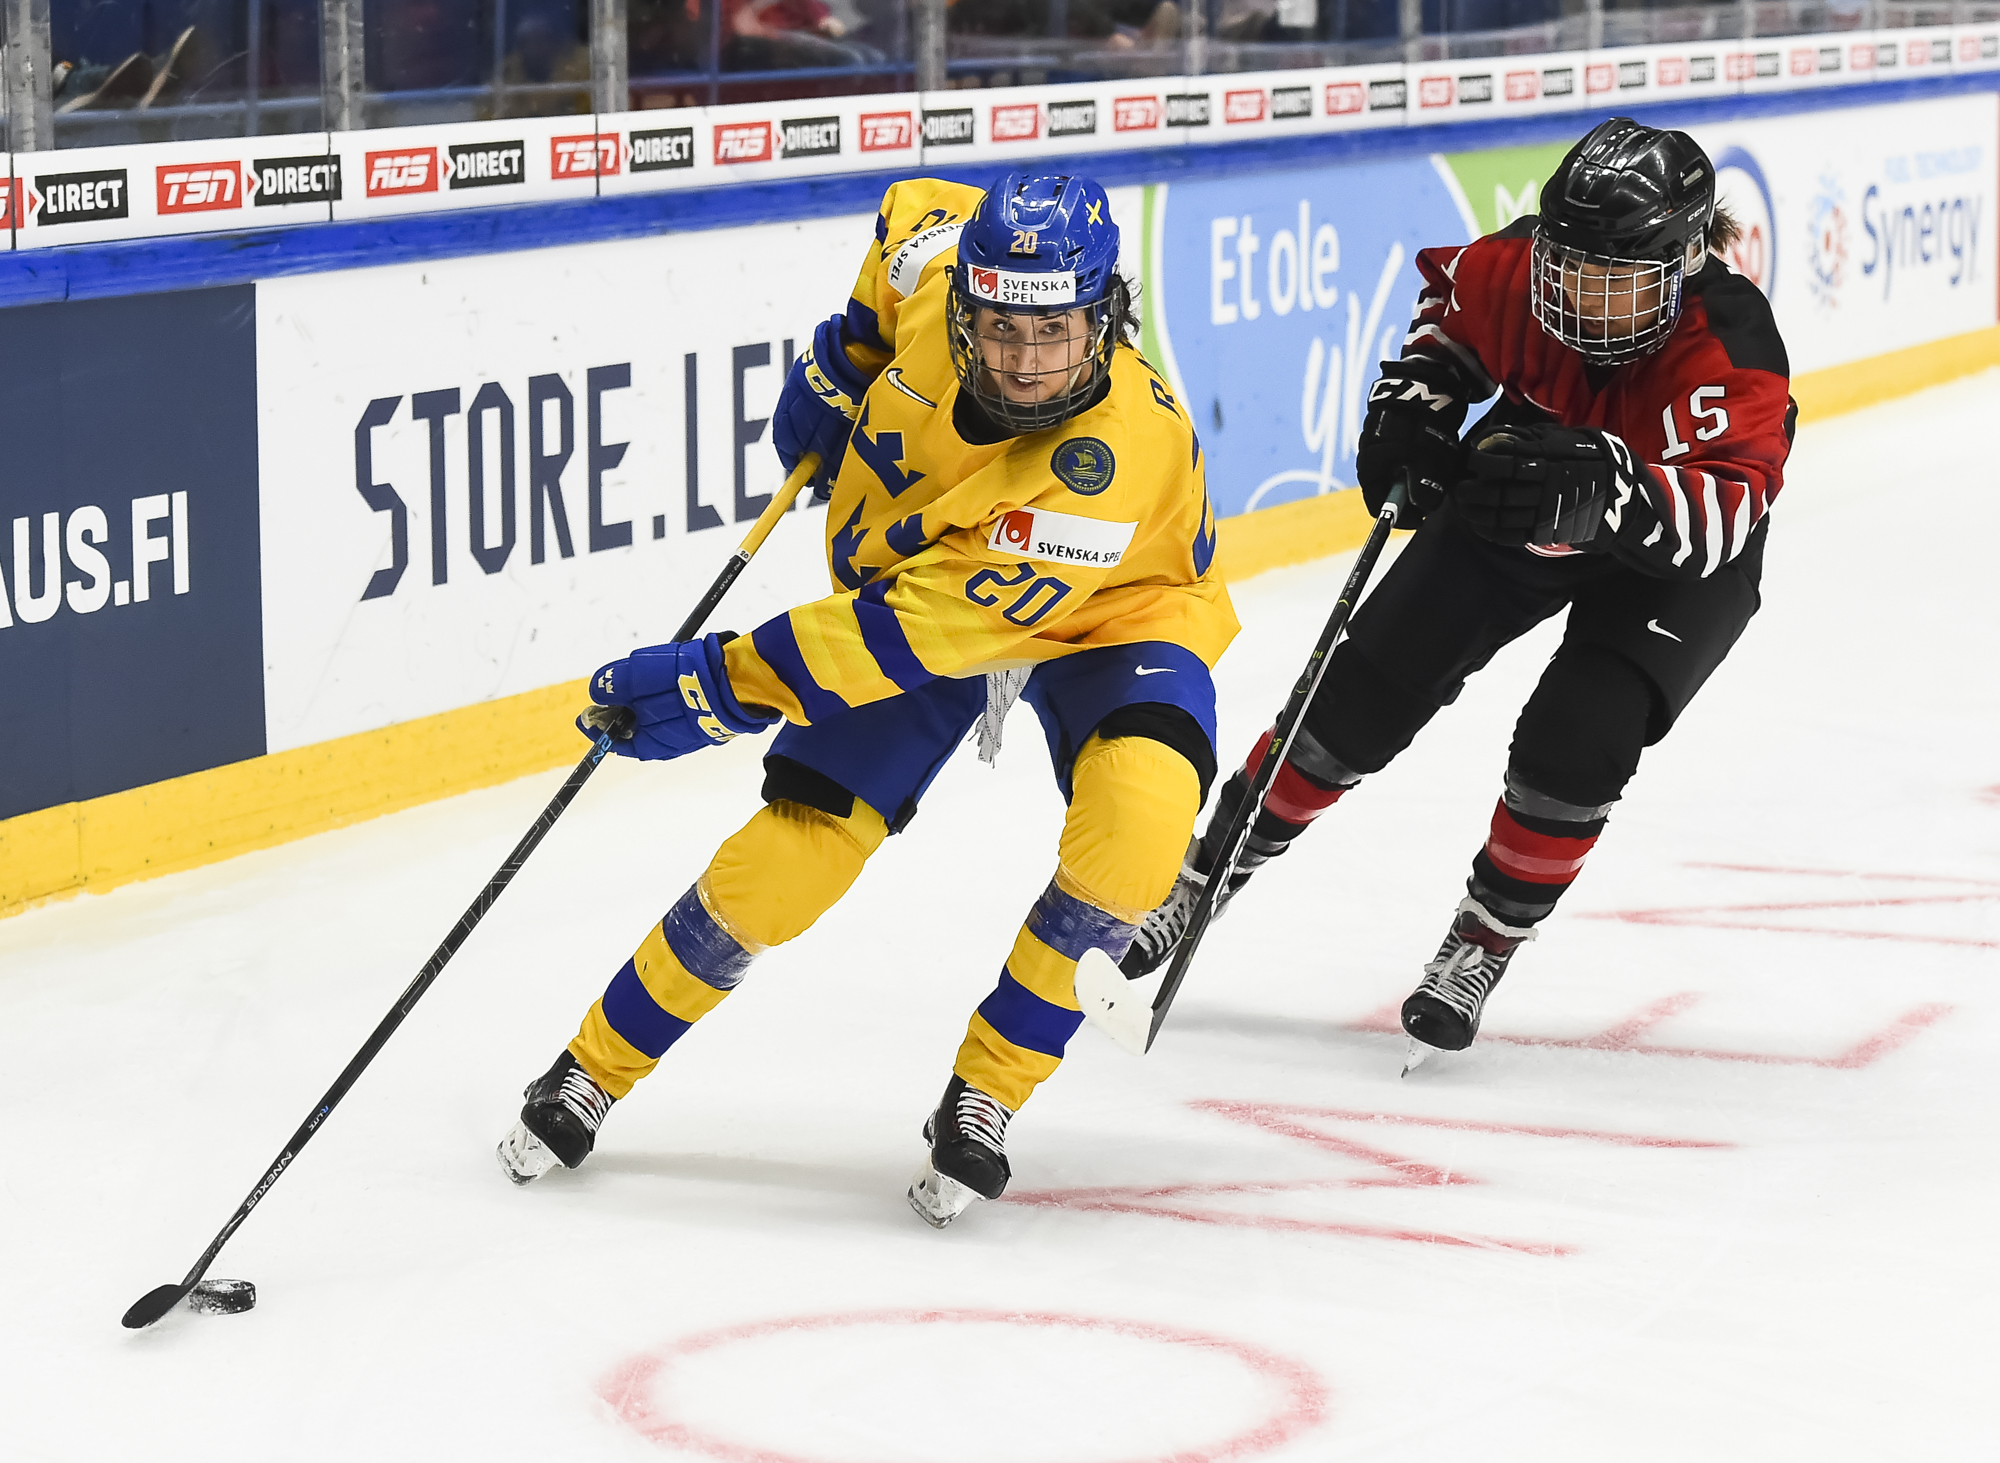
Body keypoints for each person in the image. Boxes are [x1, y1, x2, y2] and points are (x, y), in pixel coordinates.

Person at [496, 172, 1234, 1226]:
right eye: (1000, 325)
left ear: (1105, 313)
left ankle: (987, 1088)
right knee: (790, 856)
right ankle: (590, 1067)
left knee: (1141, 820)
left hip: (1115, 612)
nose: (1026, 358)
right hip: (924, 586)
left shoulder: (1099, 465)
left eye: (1058, 330)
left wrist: (714, 687)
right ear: (967, 300)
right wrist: (845, 352)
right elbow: (909, 208)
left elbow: (893, 639)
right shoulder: (938, 275)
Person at [1124, 118, 1794, 1065]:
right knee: (1360, 694)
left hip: (1666, 552)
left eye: (1616, 279)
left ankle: (1485, 936)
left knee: (1579, 733)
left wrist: (1614, 492)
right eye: (1569, 268)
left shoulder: (1734, 347)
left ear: (1686, 264)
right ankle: (1203, 874)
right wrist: (1421, 400)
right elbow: (1450, 318)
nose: (1582, 299)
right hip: (1528, 488)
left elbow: (1725, 520)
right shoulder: (1516, 270)